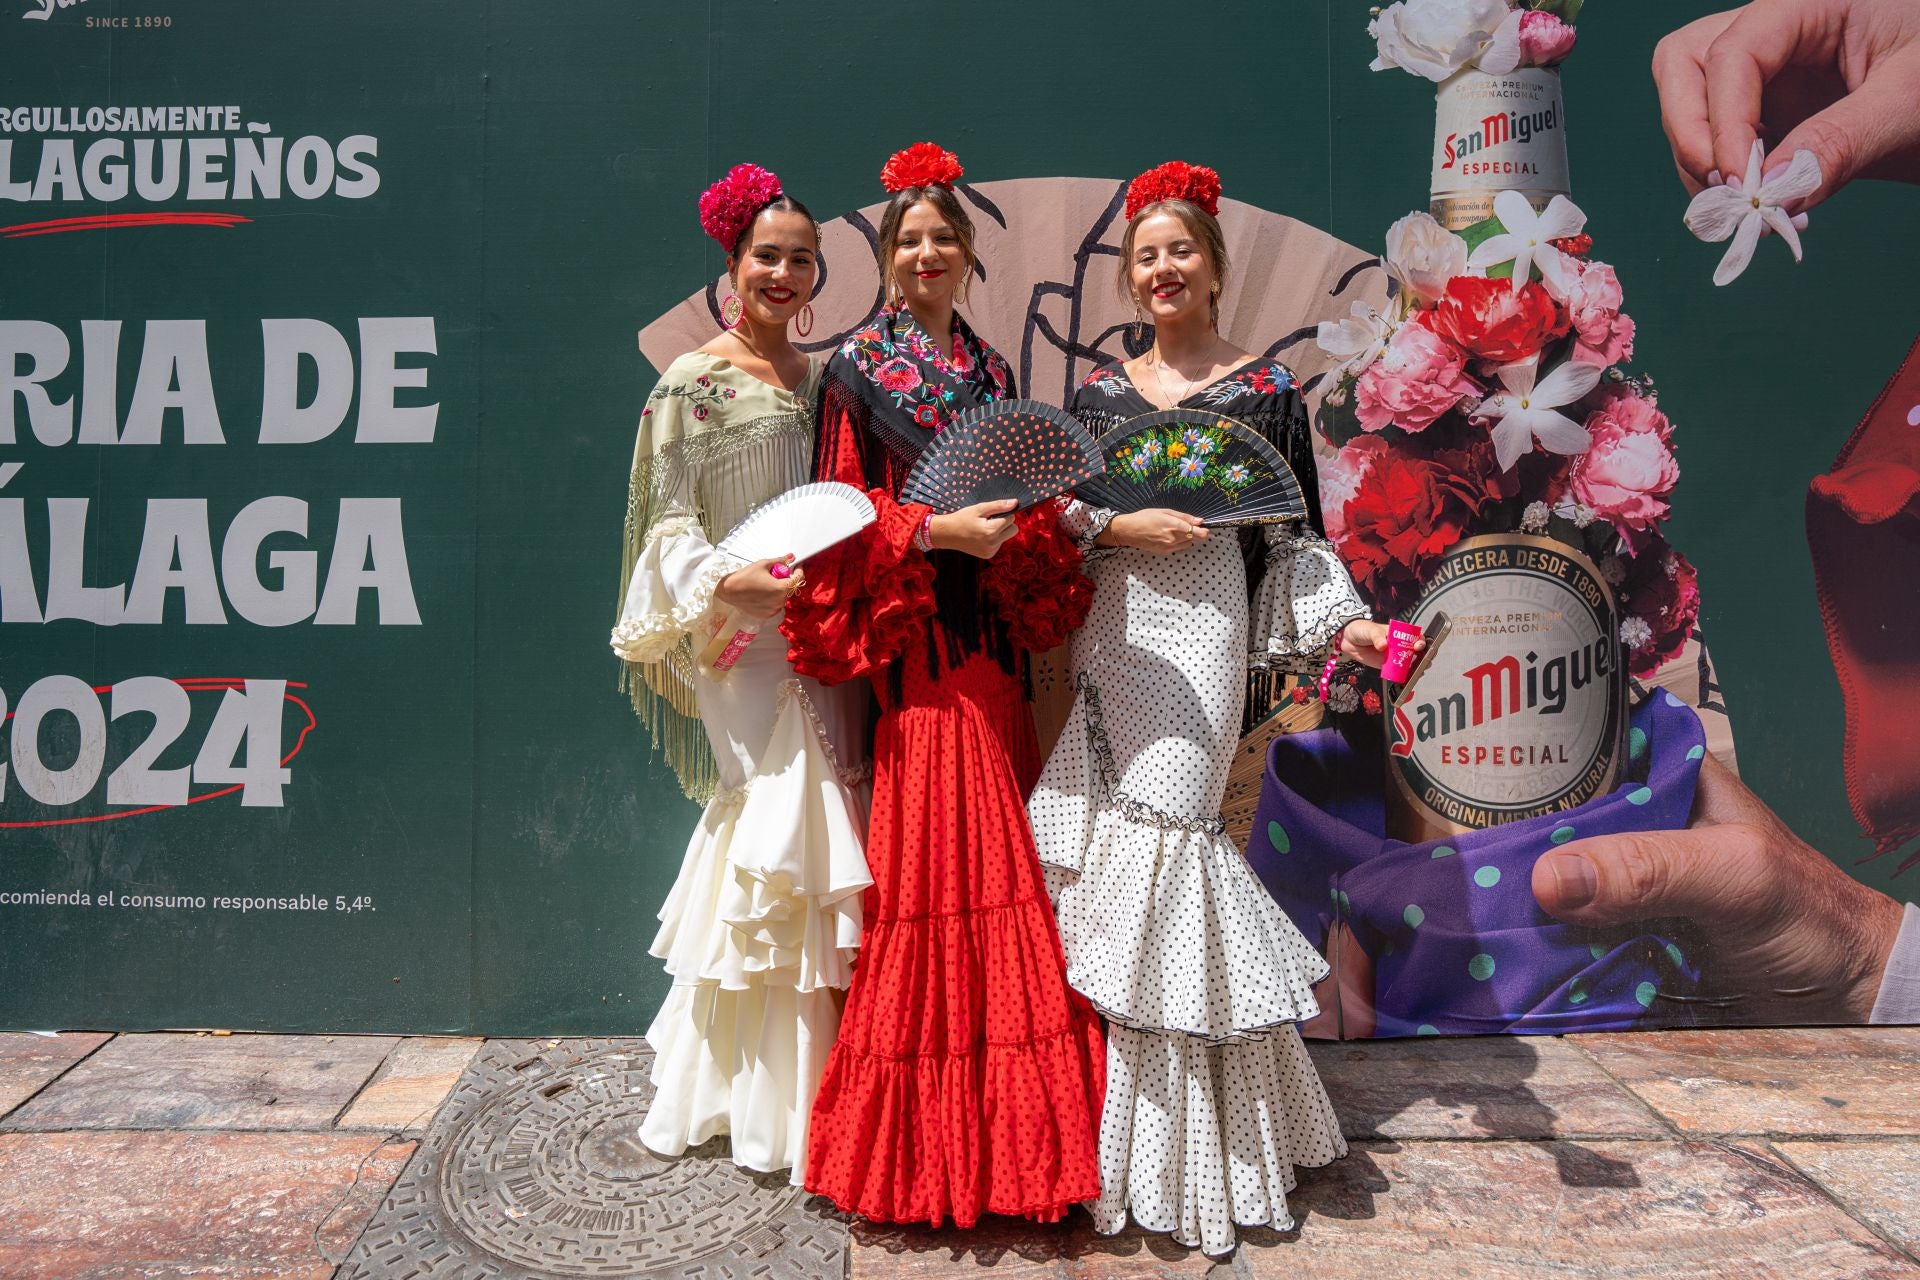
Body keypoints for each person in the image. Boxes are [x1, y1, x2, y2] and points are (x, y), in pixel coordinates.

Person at [1028, 161, 1395, 1255]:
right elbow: (1064, 520)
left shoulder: (1265, 394)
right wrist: (1116, 526)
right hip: (1117, 636)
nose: (1162, 269)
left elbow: (1294, 542)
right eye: (1145, 256)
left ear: (1215, 265)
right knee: (1115, 866)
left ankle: (1191, 1153)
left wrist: (1350, 629)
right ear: (1130, 278)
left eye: (1180, 249)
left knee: (1172, 849)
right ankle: (1135, 1136)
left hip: (1203, 635)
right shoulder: (1099, 399)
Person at [780, 142, 1105, 1227]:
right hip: (921, 653)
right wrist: (934, 531)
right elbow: (836, 518)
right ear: (887, 256)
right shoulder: (856, 371)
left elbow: (1024, 497)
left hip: (995, 653)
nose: (926, 253)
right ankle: (928, 1155)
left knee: (1000, 868)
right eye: (908, 239)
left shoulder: (992, 374)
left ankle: (1010, 1147)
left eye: (942, 238)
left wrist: (1034, 528)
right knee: (936, 876)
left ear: (968, 253)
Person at [610, 163, 870, 1183]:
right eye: (767, 254)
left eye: (801, 258)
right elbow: (666, 521)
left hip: (828, 641)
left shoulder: (826, 381)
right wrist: (726, 581)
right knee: (772, 835)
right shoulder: (691, 382)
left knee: (829, 839)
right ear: (733, 262)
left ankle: (826, 1089)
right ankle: (772, 1108)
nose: (783, 273)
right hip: (743, 639)